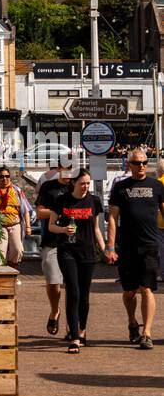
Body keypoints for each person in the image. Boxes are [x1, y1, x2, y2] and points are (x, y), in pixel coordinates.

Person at [106, 148, 164, 349]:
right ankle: (132, 322)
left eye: (144, 163)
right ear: (129, 165)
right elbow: (112, 218)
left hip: (150, 245)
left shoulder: (157, 186)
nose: (141, 166)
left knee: (146, 288)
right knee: (130, 291)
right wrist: (110, 247)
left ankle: (147, 332)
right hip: (127, 246)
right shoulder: (120, 187)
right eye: (137, 163)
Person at [47, 169, 105, 354]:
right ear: (73, 183)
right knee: (73, 291)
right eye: (82, 183)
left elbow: (96, 229)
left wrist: (106, 249)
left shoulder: (94, 201)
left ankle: (82, 330)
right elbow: (51, 226)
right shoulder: (62, 200)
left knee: (85, 296)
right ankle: (74, 337)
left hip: (87, 252)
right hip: (67, 251)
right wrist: (64, 230)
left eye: (88, 183)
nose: (85, 187)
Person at [36, 159, 79, 336]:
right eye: (66, 168)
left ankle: (72, 326)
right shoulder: (48, 187)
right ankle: (55, 311)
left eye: (72, 169)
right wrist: (60, 211)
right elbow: (39, 212)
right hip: (52, 239)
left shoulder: (76, 187)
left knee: (73, 285)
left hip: (73, 240)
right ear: (59, 168)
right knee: (54, 283)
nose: (69, 172)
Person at [0, 168, 32, 267]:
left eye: (7, 176)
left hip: (15, 224)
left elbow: (25, 209)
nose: (4, 179)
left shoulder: (17, 191)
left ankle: (12, 269)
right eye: (1, 176)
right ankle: (0, 276)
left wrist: (28, 226)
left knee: (18, 249)